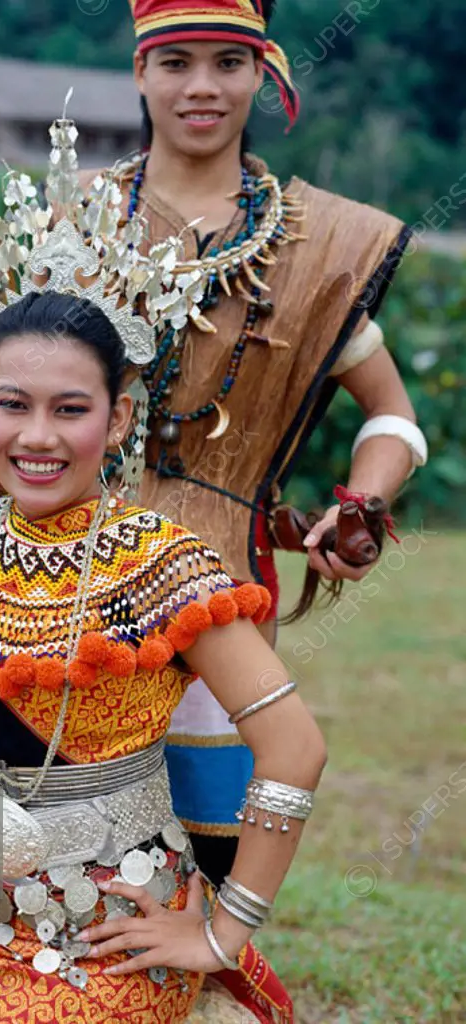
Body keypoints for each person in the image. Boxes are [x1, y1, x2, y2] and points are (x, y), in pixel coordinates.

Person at [0, 287, 324, 1024]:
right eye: (13, 404)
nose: (36, 436)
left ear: (119, 421)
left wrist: (223, 929)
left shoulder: (163, 571)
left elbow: (294, 748)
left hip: (113, 928)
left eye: (70, 409)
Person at [72, 0, 426, 886]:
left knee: (208, 846)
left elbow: (393, 420)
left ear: (263, 75)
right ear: (139, 71)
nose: (201, 86)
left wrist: (364, 505)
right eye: (175, 62)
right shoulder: (70, 226)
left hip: (219, 584)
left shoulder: (314, 250)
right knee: (57, 847)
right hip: (62, 573)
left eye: (227, 63)